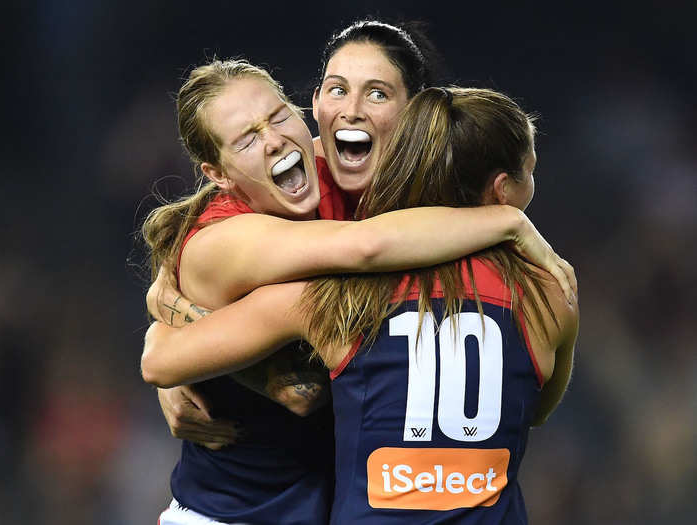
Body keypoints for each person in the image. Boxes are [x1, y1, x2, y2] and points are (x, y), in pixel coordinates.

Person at [142, 87, 579, 524]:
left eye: (376, 93)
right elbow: (534, 408)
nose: (352, 114)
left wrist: (175, 321)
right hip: (236, 511)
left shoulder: (339, 291)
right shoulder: (551, 295)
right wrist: (506, 220)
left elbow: (167, 357)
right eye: (337, 89)